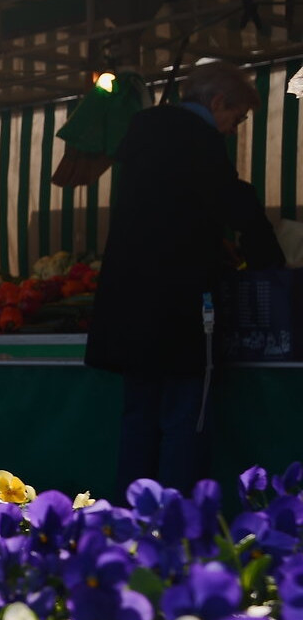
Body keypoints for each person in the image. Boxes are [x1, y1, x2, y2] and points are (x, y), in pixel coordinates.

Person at [86, 60, 282, 492]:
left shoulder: (143, 134)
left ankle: (128, 529)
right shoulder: (199, 139)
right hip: (178, 311)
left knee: (138, 419)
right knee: (182, 419)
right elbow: (233, 203)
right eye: (237, 118)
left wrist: (212, 243)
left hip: (131, 307)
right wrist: (270, 262)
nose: (233, 130)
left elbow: (167, 213)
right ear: (216, 102)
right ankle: (176, 537)